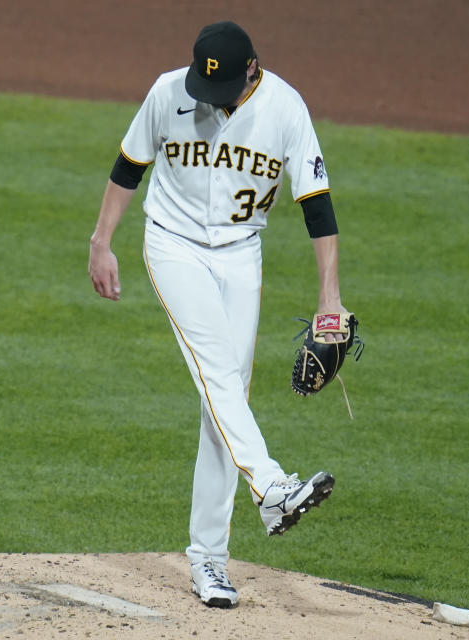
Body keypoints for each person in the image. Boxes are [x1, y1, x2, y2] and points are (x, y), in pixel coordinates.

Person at [88, 20, 348, 609]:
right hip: (172, 244)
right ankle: (273, 487)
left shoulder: (285, 108)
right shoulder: (167, 92)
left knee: (223, 397)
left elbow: (318, 208)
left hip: (240, 255)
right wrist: (101, 241)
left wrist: (329, 298)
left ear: (251, 69)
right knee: (217, 370)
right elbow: (130, 165)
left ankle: (209, 560)